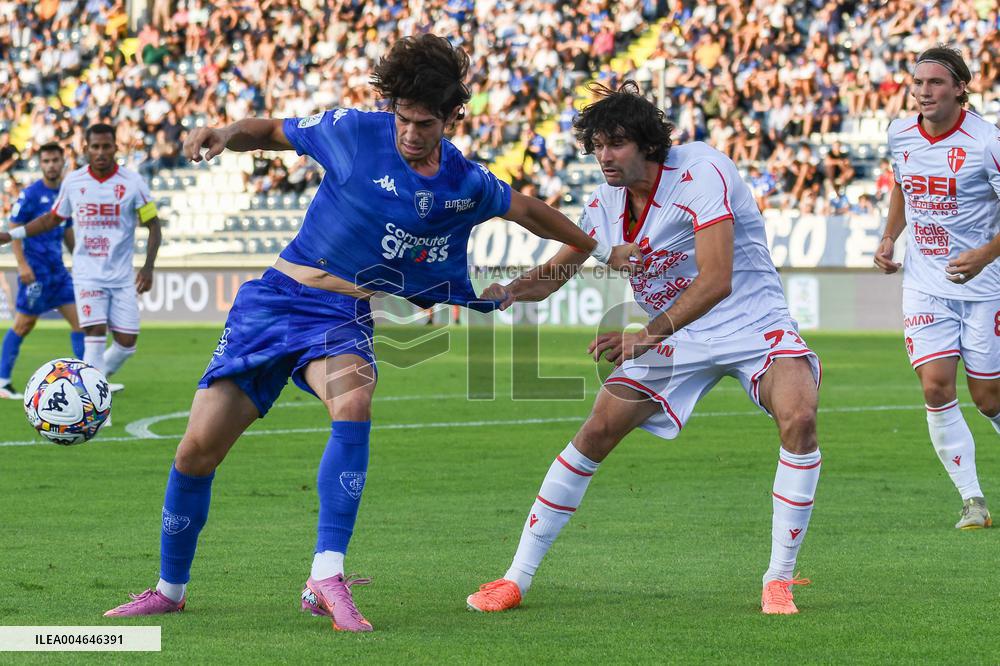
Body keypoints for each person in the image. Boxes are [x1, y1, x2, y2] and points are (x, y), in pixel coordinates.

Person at [85, 35, 637, 631]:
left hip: (341, 317)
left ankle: (326, 574)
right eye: (403, 118)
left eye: (425, 124)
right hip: (273, 303)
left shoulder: (464, 182)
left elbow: (528, 211)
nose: (410, 133)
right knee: (197, 451)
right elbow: (270, 131)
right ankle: (169, 589)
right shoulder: (352, 131)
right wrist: (224, 133)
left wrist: (598, 249)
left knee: (354, 401)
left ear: (451, 118)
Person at [466, 81, 822, 616]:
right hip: (676, 335)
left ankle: (779, 578)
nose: (604, 157)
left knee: (800, 416)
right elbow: (556, 274)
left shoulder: (701, 171)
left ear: (648, 144)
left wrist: (645, 335)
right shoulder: (604, 203)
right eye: (597, 146)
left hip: (751, 320)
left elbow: (717, 279)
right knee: (596, 432)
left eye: (617, 144)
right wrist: (510, 291)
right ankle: (515, 578)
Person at [874, 46, 1000, 530]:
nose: (924, 92)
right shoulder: (900, 133)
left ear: (960, 88)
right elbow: (902, 186)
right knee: (935, 386)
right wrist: (890, 236)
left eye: (935, 83)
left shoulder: (987, 142)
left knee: (989, 399)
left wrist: (985, 254)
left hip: (985, 286)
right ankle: (972, 500)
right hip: (926, 283)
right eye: (918, 83)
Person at [0, 124, 162, 393]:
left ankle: (93, 381)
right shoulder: (74, 182)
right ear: (86, 149)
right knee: (92, 331)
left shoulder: (133, 183)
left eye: (106, 146)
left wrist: (148, 267)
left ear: (115, 147)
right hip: (86, 274)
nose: (100, 152)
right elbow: (53, 219)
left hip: (121, 276)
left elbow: (153, 224)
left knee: (126, 343)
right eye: (95, 147)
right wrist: (12, 235)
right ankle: (90, 396)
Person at [0, 143, 84, 399]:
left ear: (62, 162)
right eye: (46, 161)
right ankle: (2, 381)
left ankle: (87, 382)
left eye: (55, 160)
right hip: (35, 271)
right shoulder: (30, 194)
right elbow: (14, 228)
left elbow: (67, 231)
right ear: (40, 164)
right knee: (23, 324)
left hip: (58, 271)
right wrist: (22, 265)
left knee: (81, 322)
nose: (51, 165)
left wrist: (80, 259)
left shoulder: (65, 193)